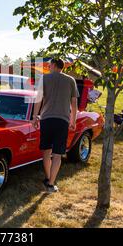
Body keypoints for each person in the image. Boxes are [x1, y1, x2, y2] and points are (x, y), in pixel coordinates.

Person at [31, 58, 79, 193]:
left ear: (53, 65)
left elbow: (38, 99)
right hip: (62, 120)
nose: (48, 67)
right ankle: (51, 184)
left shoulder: (44, 79)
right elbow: (74, 103)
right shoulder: (71, 80)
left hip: (46, 119)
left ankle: (47, 178)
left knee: (46, 151)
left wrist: (35, 117)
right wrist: (73, 121)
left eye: (49, 65)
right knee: (57, 154)